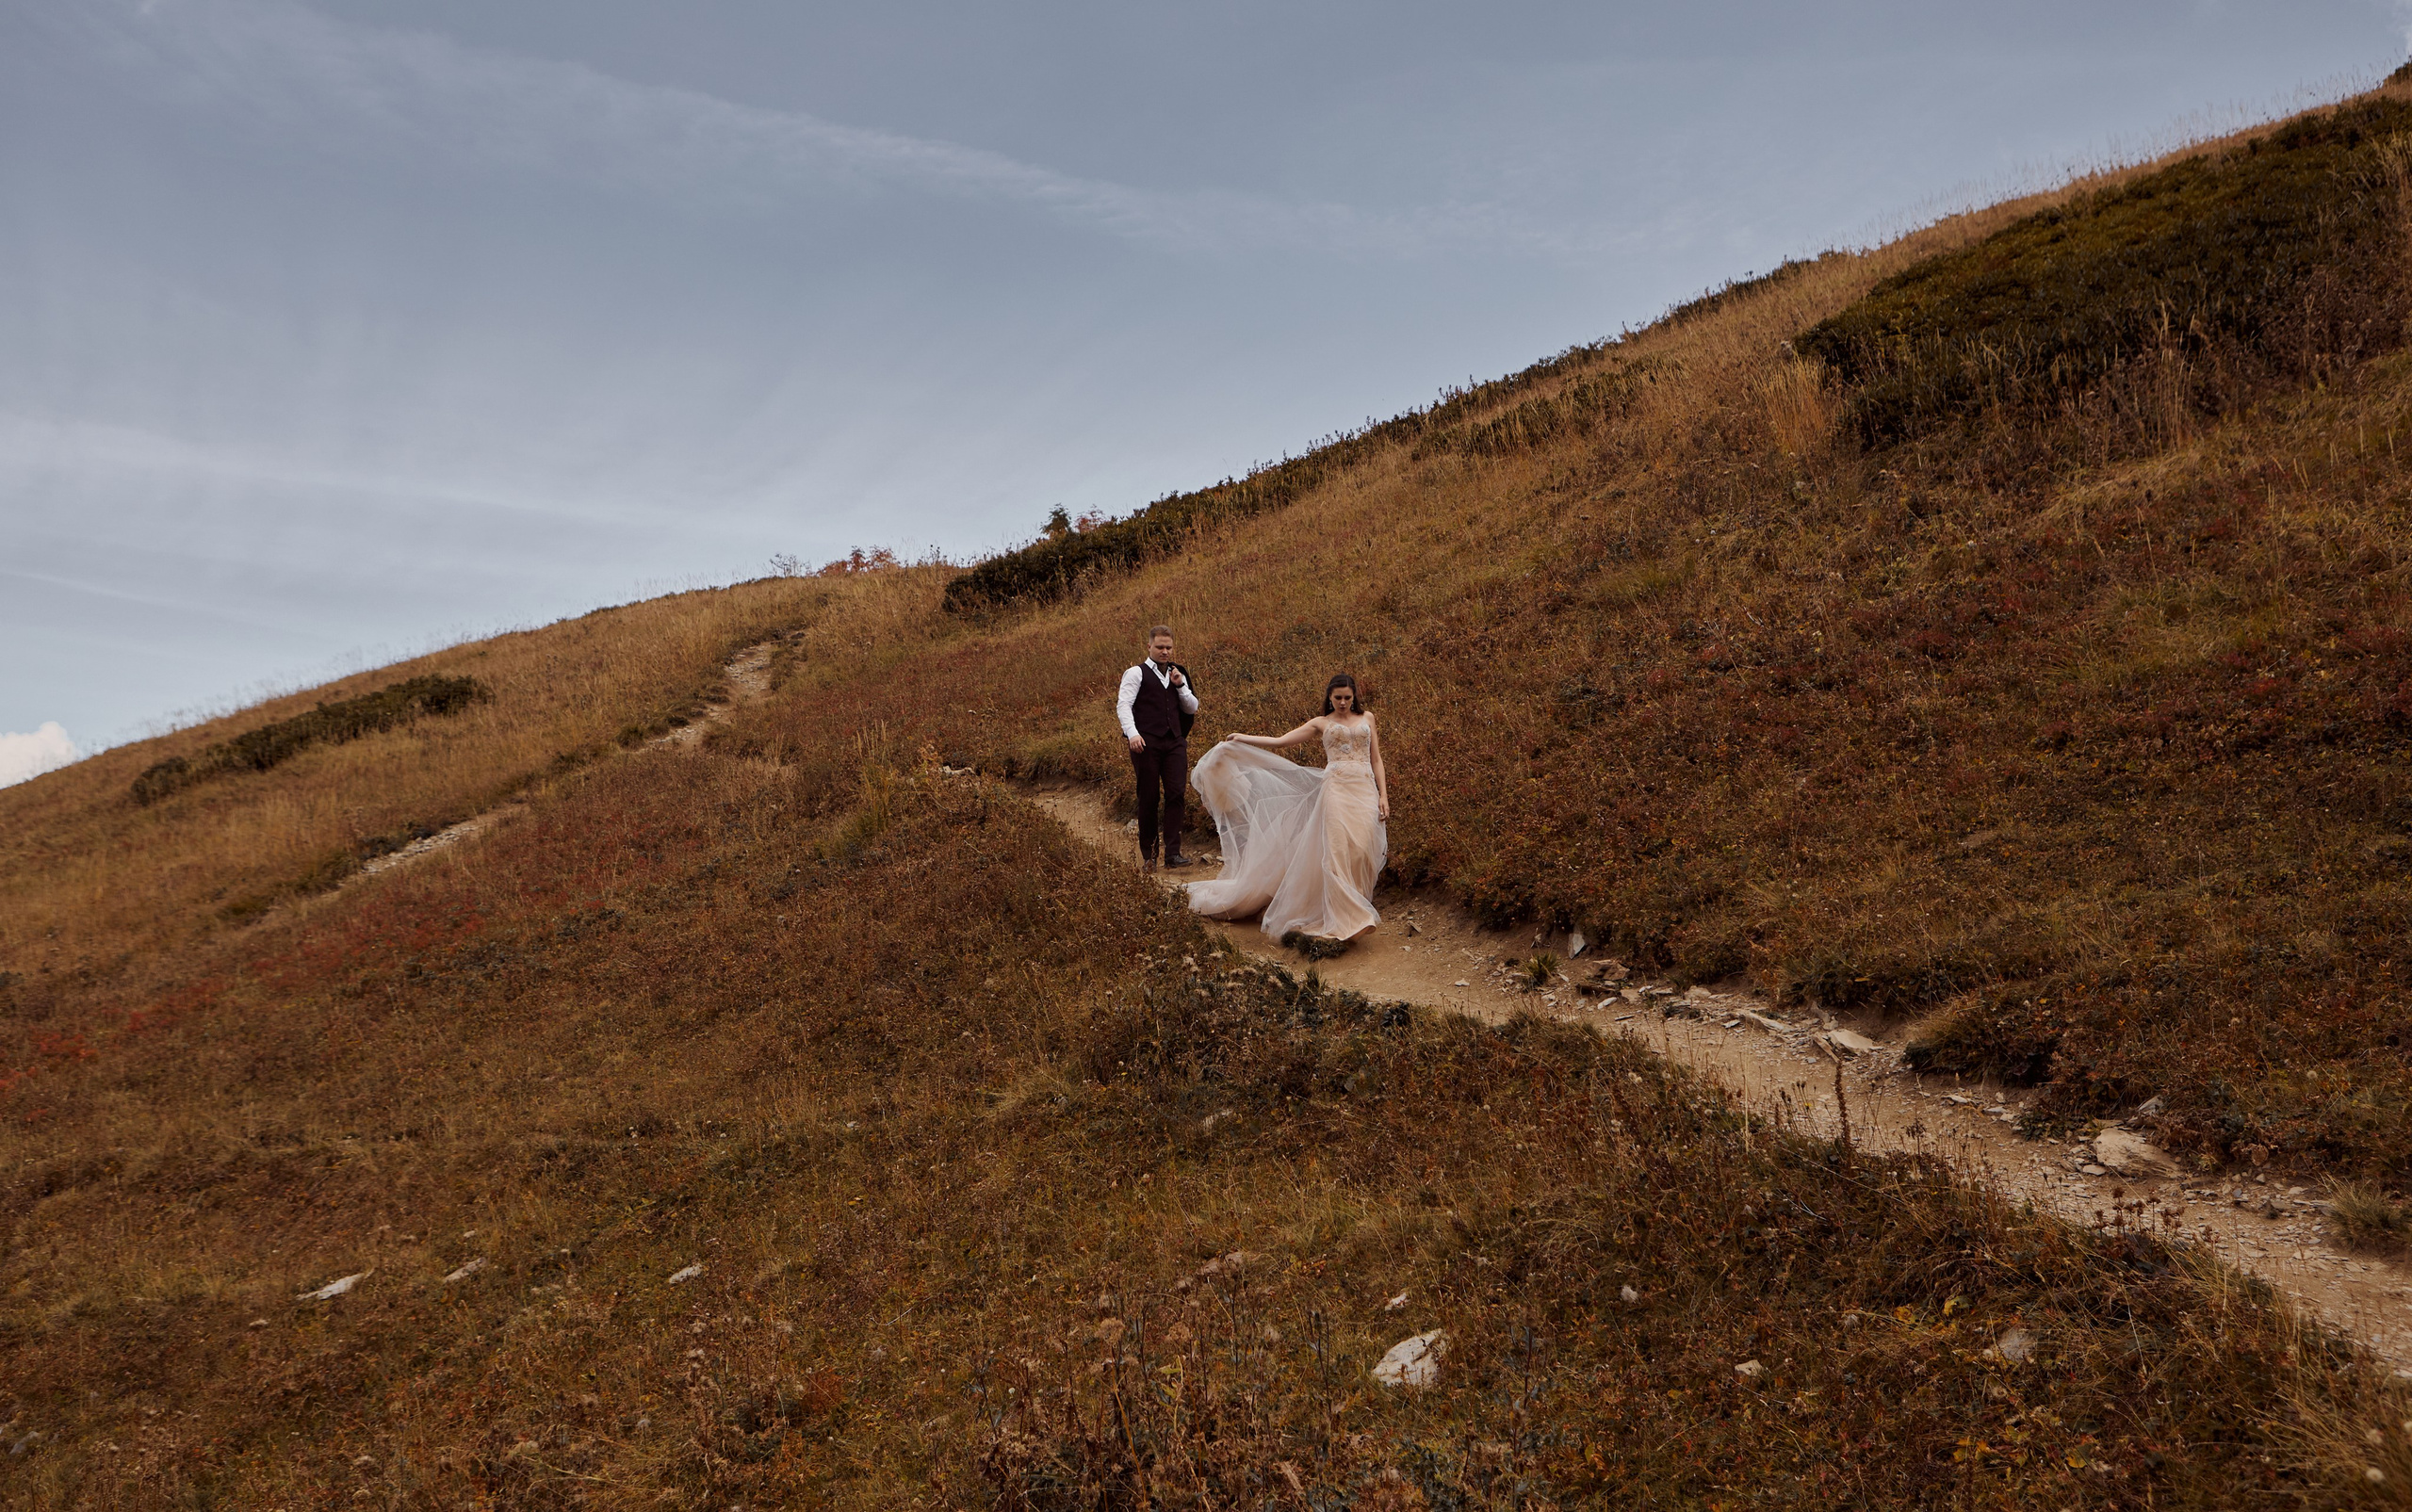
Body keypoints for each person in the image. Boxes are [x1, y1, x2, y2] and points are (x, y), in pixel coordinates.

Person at [1184, 673, 1389, 944]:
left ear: (1355, 697)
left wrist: (1383, 795)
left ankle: (1358, 904)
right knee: (1337, 850)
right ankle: (1350, 918)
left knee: (1362, 850)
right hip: (1336, 790)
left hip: (1364, 789)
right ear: (1329, 697)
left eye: (1347, 698)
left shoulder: (1368, 718)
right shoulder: (1321, 723)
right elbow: (1281, 741)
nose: (1342, 703)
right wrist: (1244, 738)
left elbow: (1376, 759)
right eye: (1338, 698)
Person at [1116, 625, 1199, 871]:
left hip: (1174, 742)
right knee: (1149, 798)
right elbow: (1124, 706)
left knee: (1176, 794)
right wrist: (1132, 734)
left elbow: (1192, 708)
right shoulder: (1135, 673)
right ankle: (1149, 856)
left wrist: (1181, 686)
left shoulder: (1178, 672)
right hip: (1146, 744)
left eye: (1169, 647)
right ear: (1149, 646)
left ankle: (1173, 854)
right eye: (1160, 647)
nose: (1165, 651)